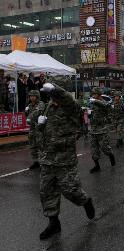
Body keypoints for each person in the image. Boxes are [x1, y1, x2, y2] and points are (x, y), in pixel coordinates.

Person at [37, 83, 95, 240]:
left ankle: (86, 201)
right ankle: (53, 223)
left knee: (71, 190)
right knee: (47, 192)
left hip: (64, 158)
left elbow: (66, 98)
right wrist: (40, 126)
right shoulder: (48, 107)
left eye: (52, 94)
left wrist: (56, 89)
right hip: (48, 158)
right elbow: (45, 132)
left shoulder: (70, 106)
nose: (51, 98)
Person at [88, 87, 116, 173]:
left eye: (94, 94)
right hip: (93, 129)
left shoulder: (104, 102)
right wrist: (88, 113)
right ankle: (97, 166)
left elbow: (107, 106)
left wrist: (95, 101)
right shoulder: (92, 103)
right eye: (92, 94)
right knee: (94, 150)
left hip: (102, 130)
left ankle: (111, 156)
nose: (93, 96)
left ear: (99, 94)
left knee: (105, 148)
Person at [25, 90, 45, 169]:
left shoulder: (41, 104)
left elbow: (38, 112)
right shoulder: (29, 106)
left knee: (40, 146)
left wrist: (30, 116)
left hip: (39, 128)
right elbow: (26, 115)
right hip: (32, 128)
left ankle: (42, 163)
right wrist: (26, 112)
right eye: (30, 96)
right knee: (33, 146)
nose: (32, 98)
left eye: (33, 96)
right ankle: (36, 161)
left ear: (37, 97)